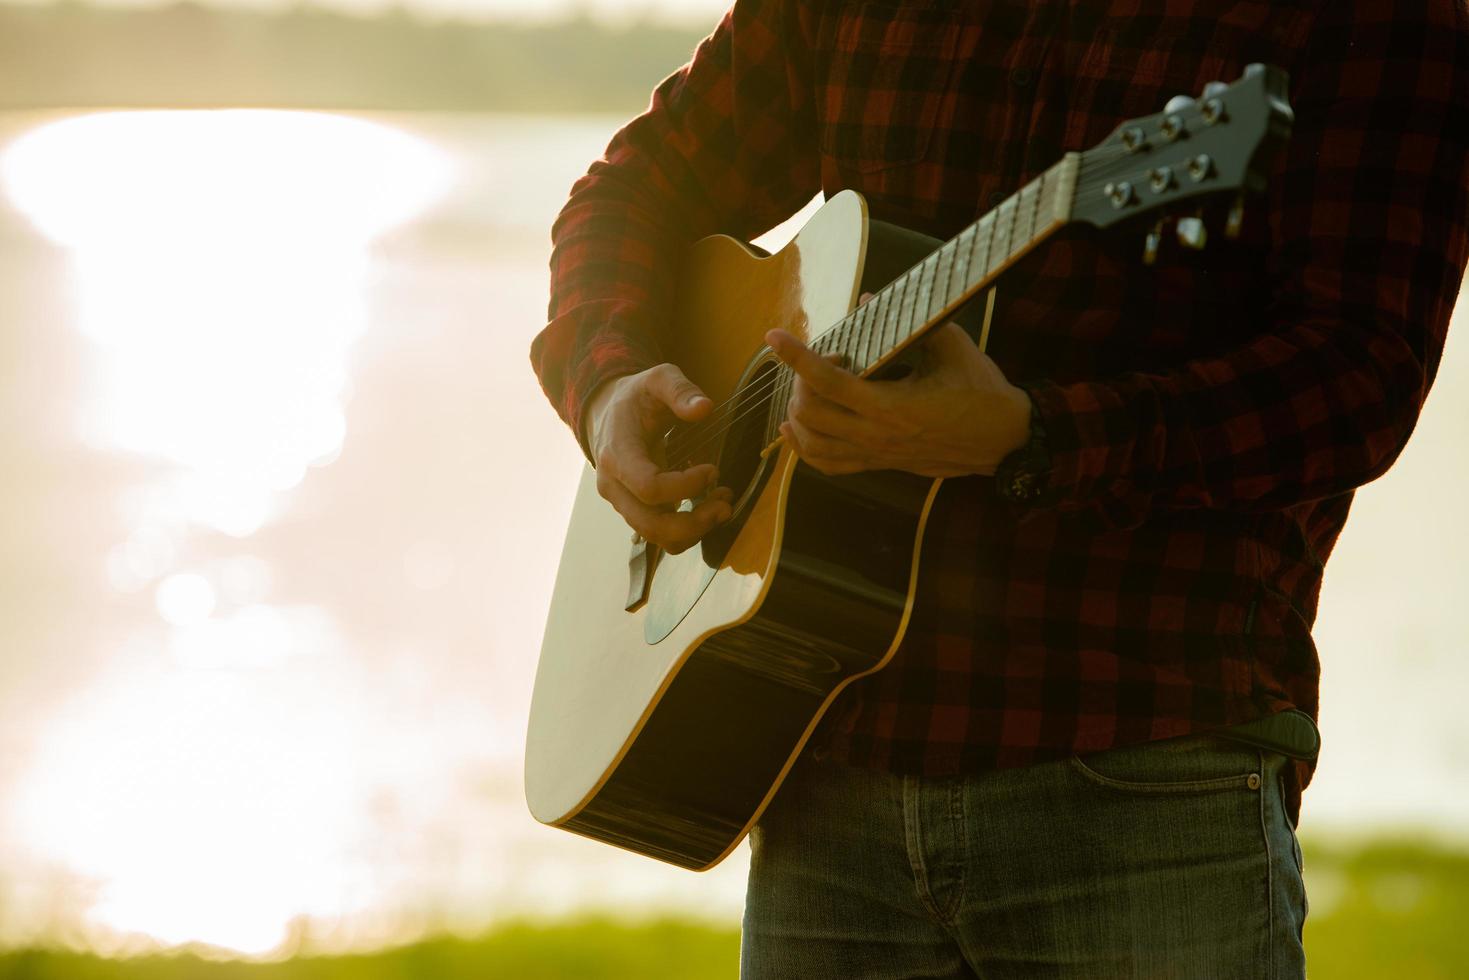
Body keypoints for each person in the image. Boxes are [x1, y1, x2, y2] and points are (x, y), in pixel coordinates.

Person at [530, 1, 1469, 976]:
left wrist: (1033, 435)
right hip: (824, 764)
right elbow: (633, 189)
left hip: (1146, 774)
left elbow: (1356, 374)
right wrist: (606, 386)